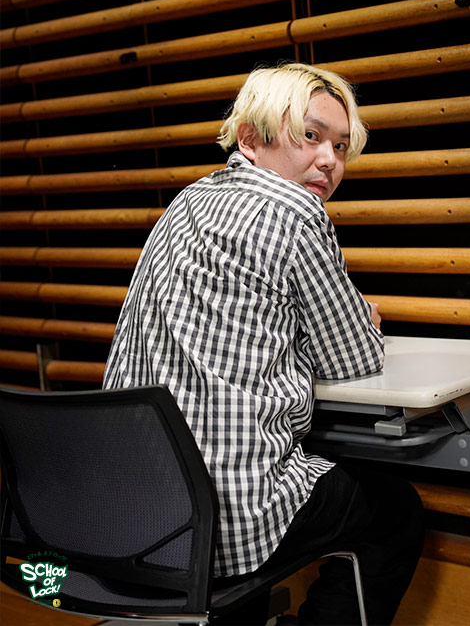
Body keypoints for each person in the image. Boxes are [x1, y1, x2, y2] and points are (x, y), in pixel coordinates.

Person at [103, 62, 424, 625]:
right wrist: (354, 320)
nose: (329, 160)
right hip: (226, 518)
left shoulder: (187, 202)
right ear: (251, 138)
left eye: (340, 146)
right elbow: (353, 357)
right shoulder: (295, 211)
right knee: (394, 511)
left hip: (132, 510)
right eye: (311, 135)